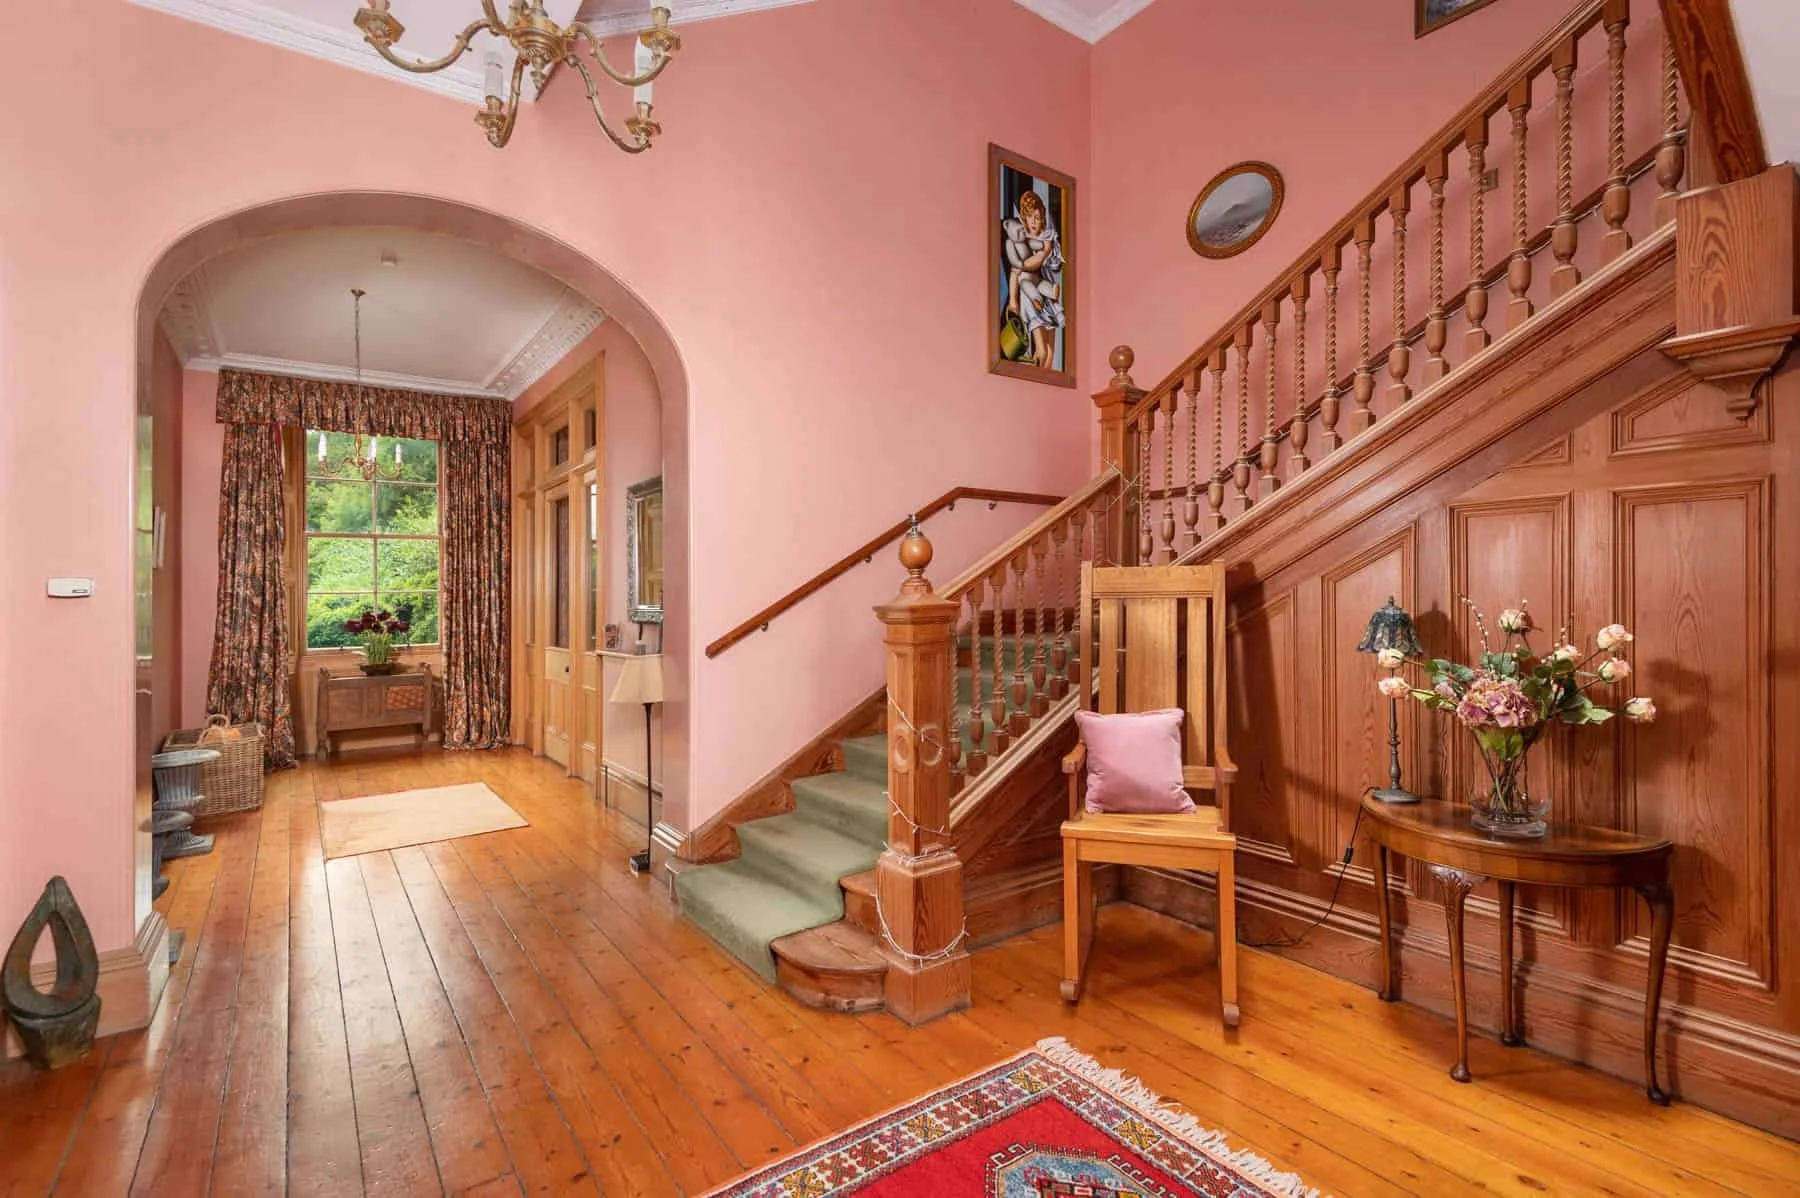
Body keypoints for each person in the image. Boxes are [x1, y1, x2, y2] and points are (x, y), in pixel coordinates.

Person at [1003, 190, 1065, 368]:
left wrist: (1046, 252)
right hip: (1029, 294)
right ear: (1024, 218)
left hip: (1045, 291)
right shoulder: (1021, 240)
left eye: (1037, 217)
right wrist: (1013, 300)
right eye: (1030, 217)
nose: (1033, 222)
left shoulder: (1045, 238)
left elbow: (1049, 262)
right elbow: (1017, 271)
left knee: (1050, 353)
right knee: (1042, 351)